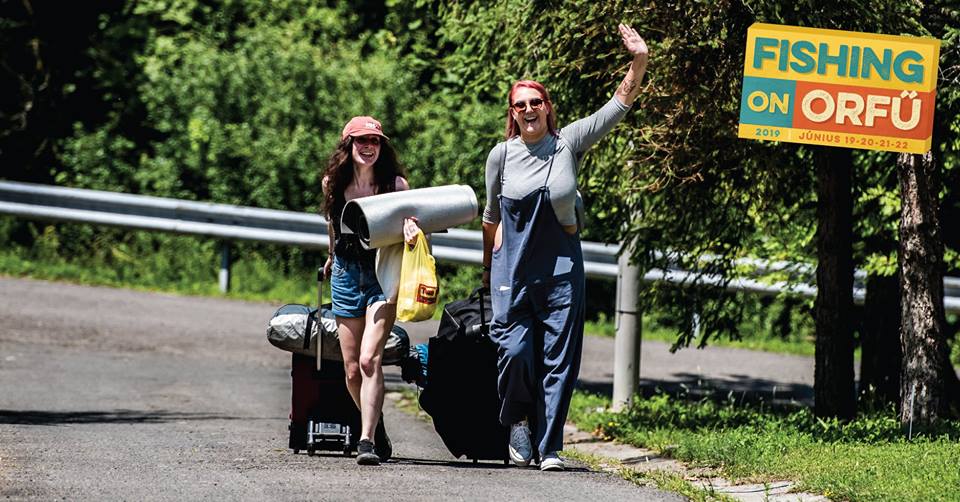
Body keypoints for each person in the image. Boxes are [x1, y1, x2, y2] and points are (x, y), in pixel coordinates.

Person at [480, 24, 649, 471]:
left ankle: (550, 446)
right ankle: (517, 420)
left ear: (548, 108)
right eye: (521, 105)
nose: (529, 109)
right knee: (514, 353)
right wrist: (486, 269)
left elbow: (619, 104)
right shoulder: (500, 156)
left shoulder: (567, 144)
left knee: (559, 361)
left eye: (536, 102)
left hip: (559, 277)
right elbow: (491, 220)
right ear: (512, 113)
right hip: (511, 274)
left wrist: (639, 59)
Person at [322, 116, 420, 466]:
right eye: (361, 141)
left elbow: (414, 230)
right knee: (350, 369)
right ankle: (376, 428)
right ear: (347, 145)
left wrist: (412, 232)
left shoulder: (395, 184)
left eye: (375, 141)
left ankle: (365, 440)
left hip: (383, 273)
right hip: (346, 274)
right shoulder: (333, 183)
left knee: (369, 359)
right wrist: (331, 257)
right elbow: (332, 226)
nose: (368, 147)